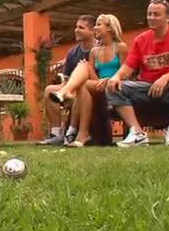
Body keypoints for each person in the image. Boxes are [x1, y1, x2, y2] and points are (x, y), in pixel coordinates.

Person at [106, 0, 169, 147]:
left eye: (156, 14)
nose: (151, 18)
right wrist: (116, 76)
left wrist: (166, 77)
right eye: (149, 14)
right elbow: (128, 67)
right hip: (146, 88)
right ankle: (138, 134)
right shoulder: (140, 40)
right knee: (113, 86)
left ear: (168, 18)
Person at [49, 14, 127, 147]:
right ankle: (81, 134)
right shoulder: (94, 51)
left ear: (110, 28)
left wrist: (110, 79)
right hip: (98, 84)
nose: (95, 28)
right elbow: (90, 74)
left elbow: (125, 72)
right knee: (84, 67)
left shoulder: (120, 47)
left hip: (114, 85)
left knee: (83, 77)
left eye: (99, 25)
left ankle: (66, 93)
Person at [37, 15, 97, 146]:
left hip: (92, 90)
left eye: (81, 27)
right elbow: (66, 80)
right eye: (76, 27)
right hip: (72, 89)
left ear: (92, 30)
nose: (76, 30)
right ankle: (56, 134)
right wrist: (66, 90)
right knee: (49, 90)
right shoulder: (72, 53)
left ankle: (71, 133)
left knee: (80, 90)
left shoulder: (99, 50)